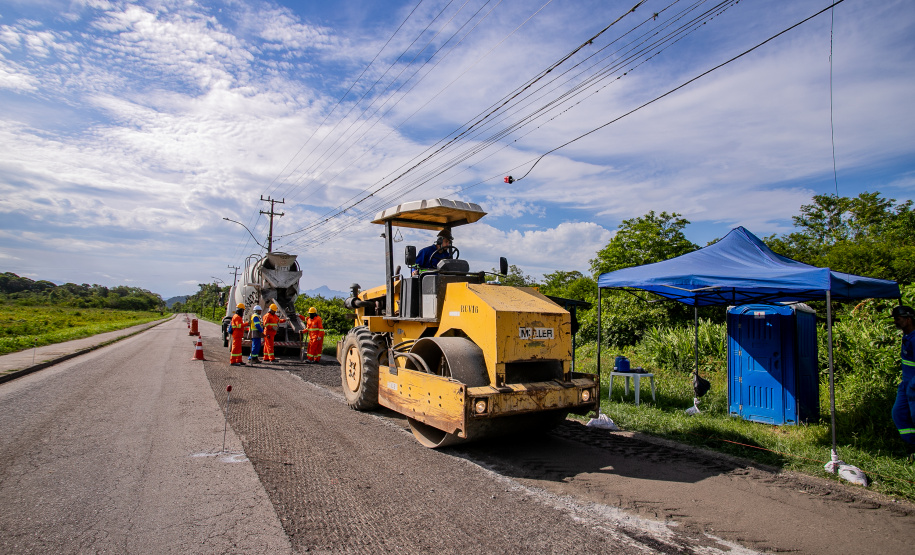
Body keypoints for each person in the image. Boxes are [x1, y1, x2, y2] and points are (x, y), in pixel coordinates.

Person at [891, 305, 915, 459]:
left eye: (898, 319)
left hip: (913, 385)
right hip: (906, 384)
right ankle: (912, 444)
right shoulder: (907, 337)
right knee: (898, 413)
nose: (895, 322)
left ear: (908, 319)